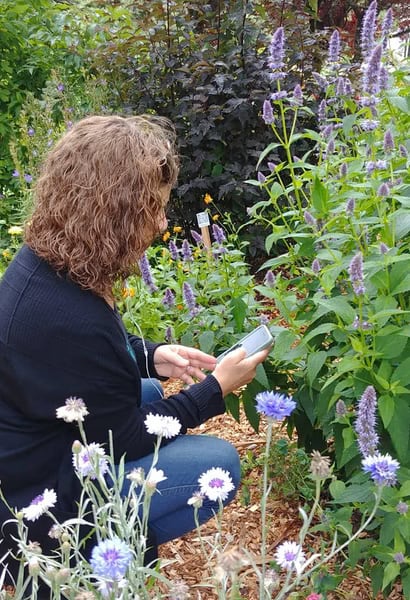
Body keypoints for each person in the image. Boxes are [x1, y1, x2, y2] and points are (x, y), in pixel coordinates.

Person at [0, 115, 270, 583]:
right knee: (220, 463)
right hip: (41, 495)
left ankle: (118, 548)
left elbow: (78, 359)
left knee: (147, 389)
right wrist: (214, 390)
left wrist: (150, 356)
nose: (163, 223)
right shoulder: (74, 317)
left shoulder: (43, 265)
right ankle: (95, 559)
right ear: (114, 214)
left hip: (30, 442)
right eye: (154, 209)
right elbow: (123, 438)